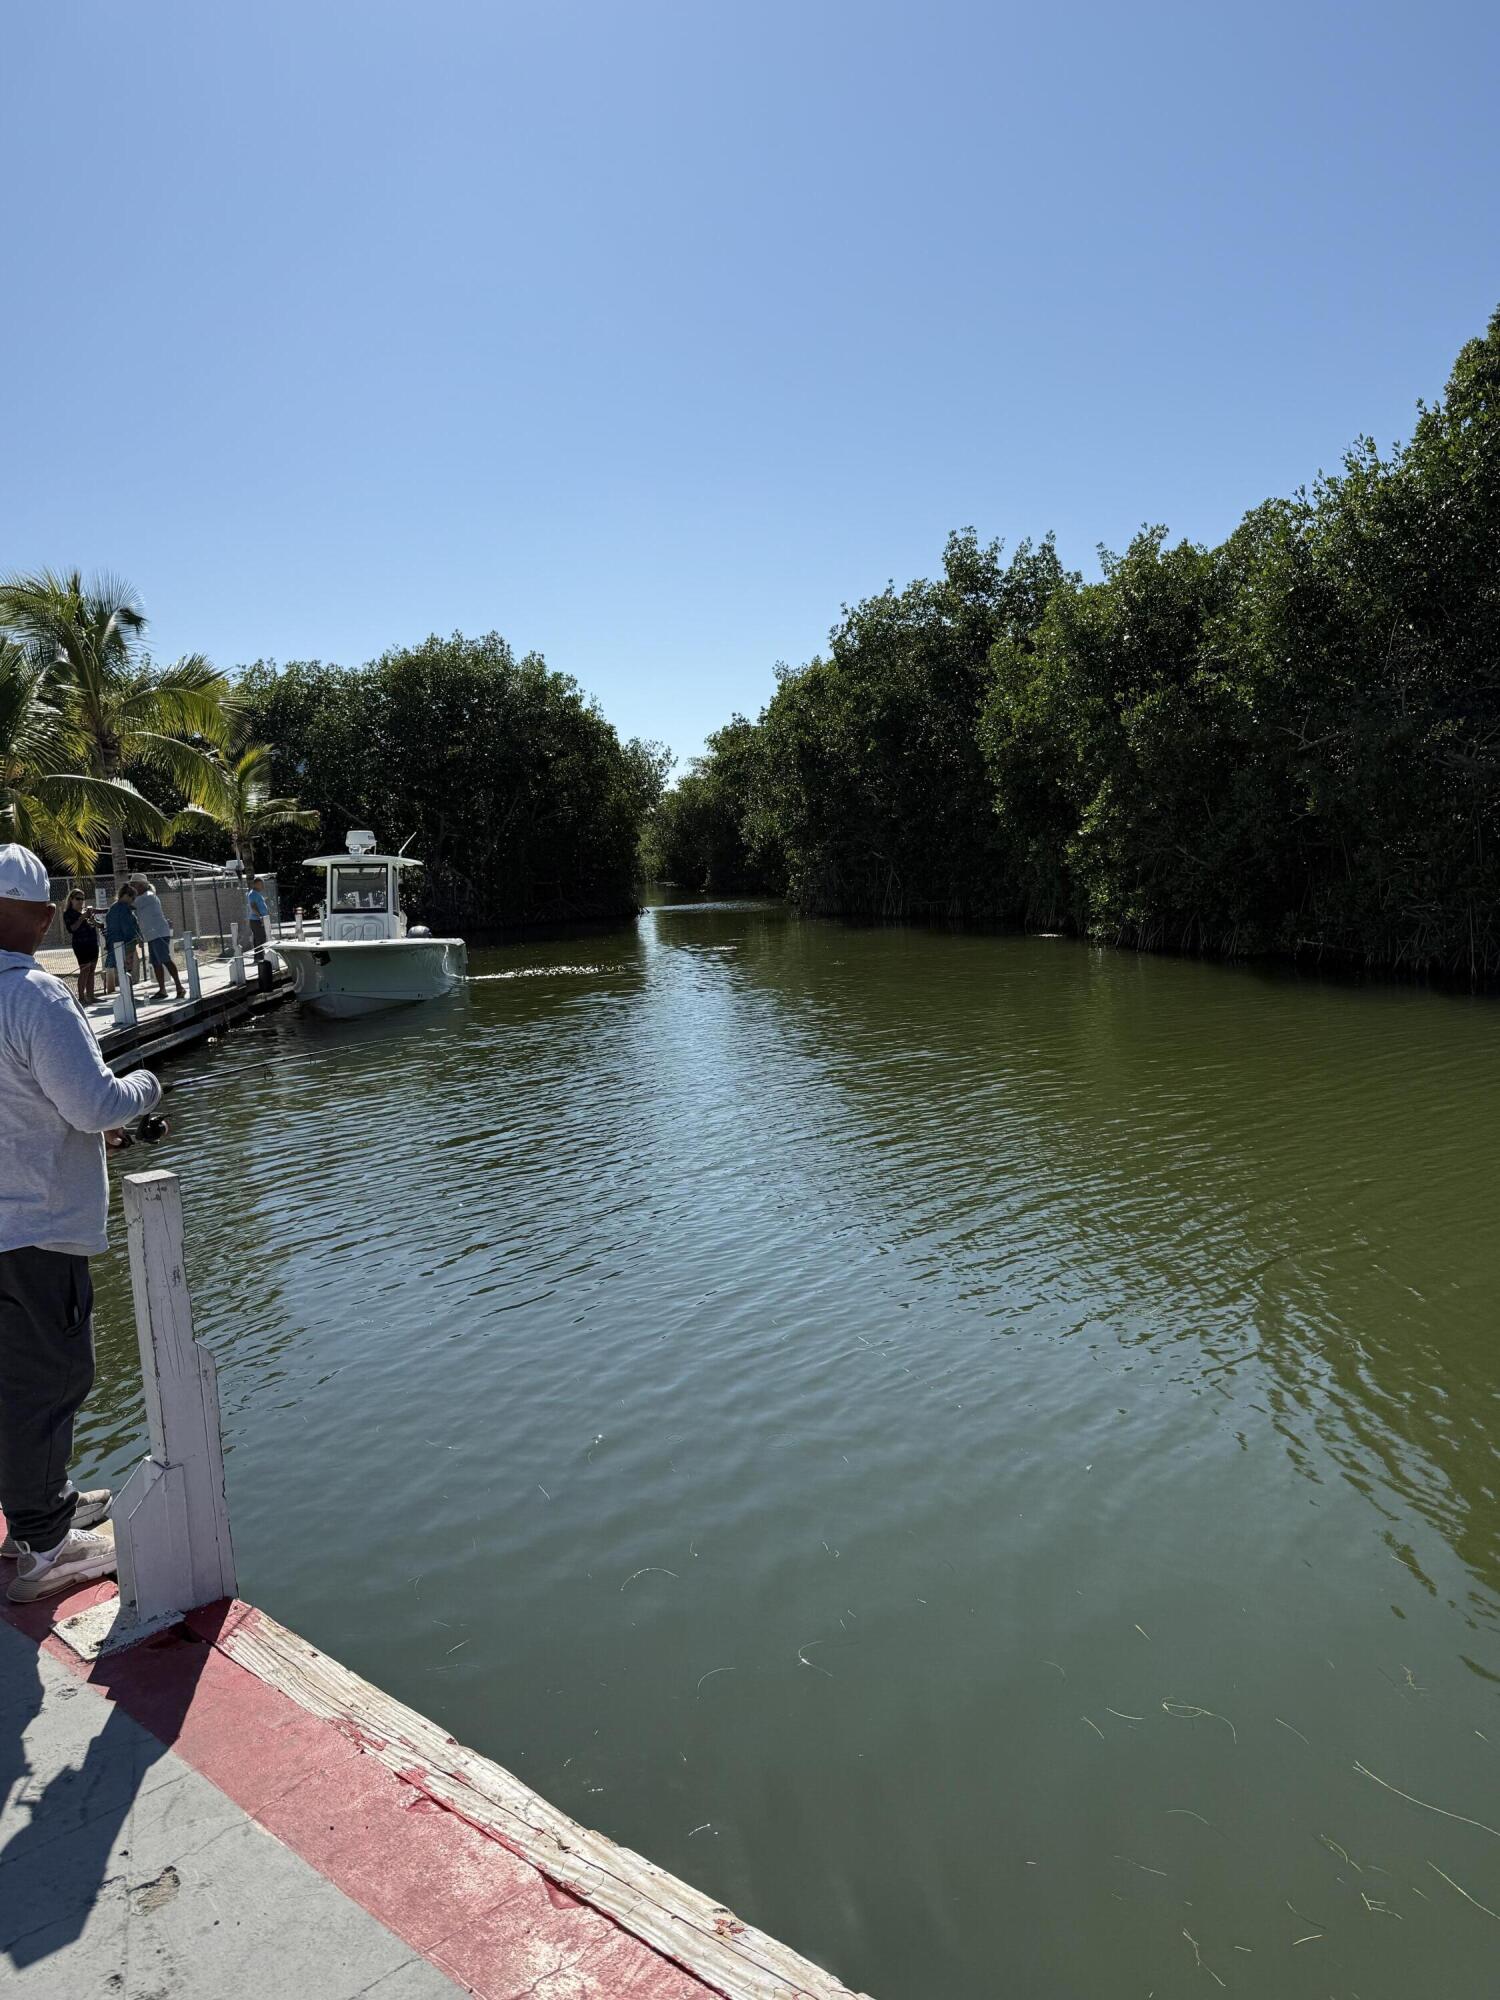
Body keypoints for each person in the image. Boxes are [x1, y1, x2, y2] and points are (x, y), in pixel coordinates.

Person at [0, 844, 165, 1603]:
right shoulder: (35, 994)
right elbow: (94, 1103)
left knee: (15, 1380)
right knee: (52, 1377)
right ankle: (41, 1546)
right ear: (37, 916)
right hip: (35, 1227)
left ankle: (44, 1502)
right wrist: (146, 1087)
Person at [129, 873, 185, 1001]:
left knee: (165, 959)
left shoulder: (146, 897)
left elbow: (128, 905)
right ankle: (163, 990)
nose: (132, 888)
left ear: (142, 885)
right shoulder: (144, 897)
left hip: (158, 933)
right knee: (156, 962)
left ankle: (179, 987)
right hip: (153, 934)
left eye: (134, 885)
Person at [62, 889, 100, 1005]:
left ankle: (91, 996)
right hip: (80, 944)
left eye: (82, 899)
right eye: (78, 898)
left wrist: (92, 919)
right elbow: (72, 929)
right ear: (71, 899)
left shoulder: (84, 912)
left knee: (92, 970)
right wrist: (82, 917)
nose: (80, 901)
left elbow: (97, 925)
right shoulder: (68, 913)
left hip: (92, 943)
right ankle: (82, 998)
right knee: (85, 970)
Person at [102, 883, 140, 992]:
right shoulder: (123, 909)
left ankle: (125, 991)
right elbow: (127, 927)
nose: (133, 900)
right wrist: (134, 938)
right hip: (125, 942)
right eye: (132, 898)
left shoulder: (113, 907)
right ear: (126, 895)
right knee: (126, 968)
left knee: (120, 967)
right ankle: (127, 992)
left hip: (113, 943)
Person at [246, 876, 270, 954]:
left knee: (259, 938)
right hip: (257, 920)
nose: (263, 886)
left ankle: (259, 957)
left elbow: (257, 904)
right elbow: (253, 906)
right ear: (256, 884)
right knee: (260, 938)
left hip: (259, 919)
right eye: (261, 884)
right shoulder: (252, 894)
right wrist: (260, 917)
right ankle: (260, 957)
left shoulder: (256, 894)